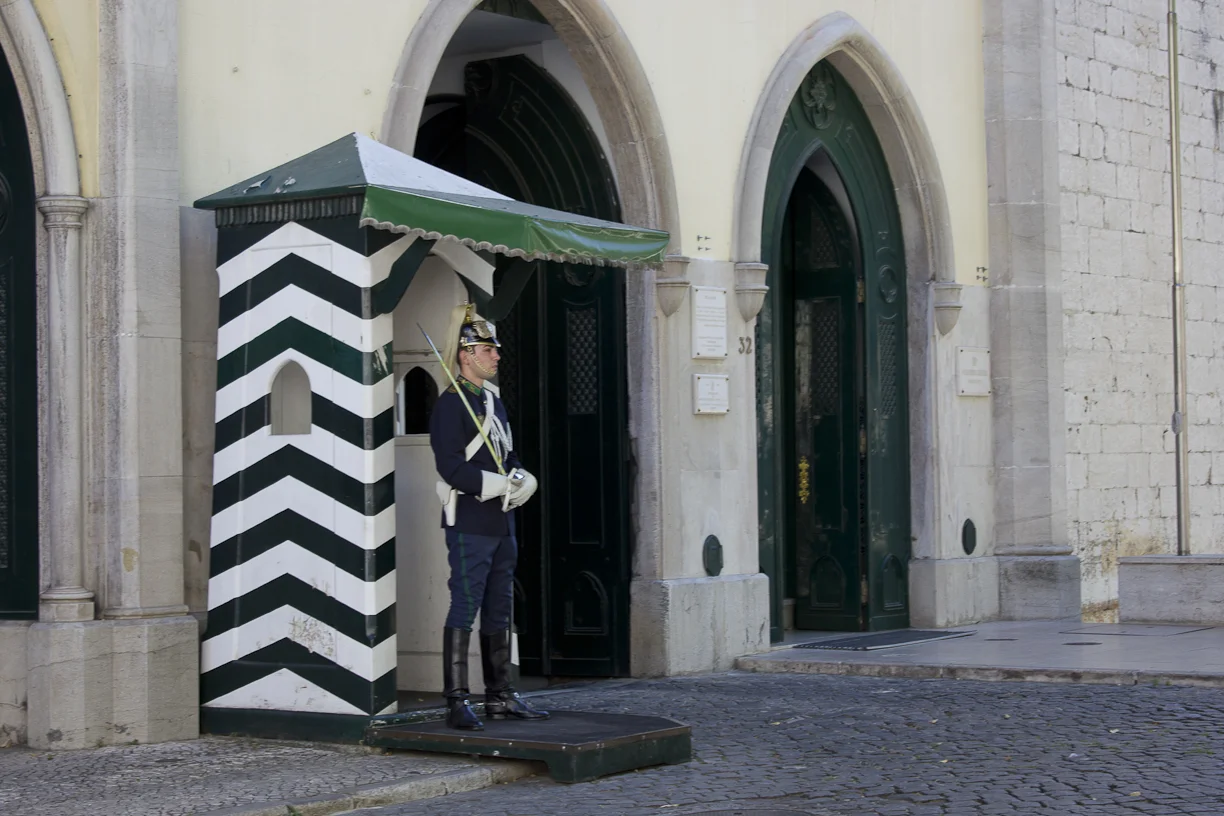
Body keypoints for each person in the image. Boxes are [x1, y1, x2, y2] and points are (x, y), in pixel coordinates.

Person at [429, 302, 549, 730]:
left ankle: (500, 695)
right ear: (466, 355)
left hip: (501, 520)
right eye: (487, 350)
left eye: (494, 350)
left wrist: (520, 477)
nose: (496, 356)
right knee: (465, 606)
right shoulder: (450, 404)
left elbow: (506, 452)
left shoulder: (491, 402)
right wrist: (496, 484)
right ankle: (456, 700)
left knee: (500, 607)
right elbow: (451, 467)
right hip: (470, 520)